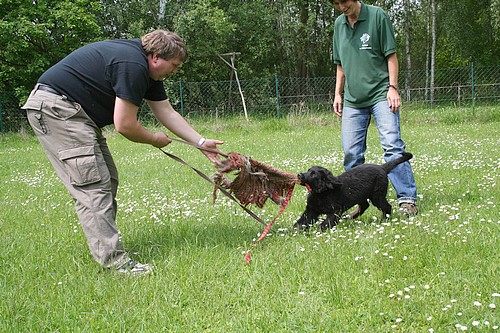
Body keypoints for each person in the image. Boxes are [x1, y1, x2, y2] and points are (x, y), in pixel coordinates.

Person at [22, 30, 225, 275]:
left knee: (107, 179)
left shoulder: (147, 71)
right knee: (93, 185)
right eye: (174, 66)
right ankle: (115, 264)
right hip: (58, 110)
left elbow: (166, 112)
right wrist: (154, 140)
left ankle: (106, 247)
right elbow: (124, 125)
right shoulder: (132, 65)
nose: (175, 72)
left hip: (74, 113)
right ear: (156, 56)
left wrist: (201, 142)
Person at [330, 0, 418, 216]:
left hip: (381, 94)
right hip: (353, 100)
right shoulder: (339, 25)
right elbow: (340, 64)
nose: (342, 6)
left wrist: (393, 87)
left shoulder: (378, 16)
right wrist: (337, 94)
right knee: (351, 152)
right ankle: (357, 201)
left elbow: (391, 56)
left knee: (392, 145)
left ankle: (407, 199)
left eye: (344, 1)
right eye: (336, 3)